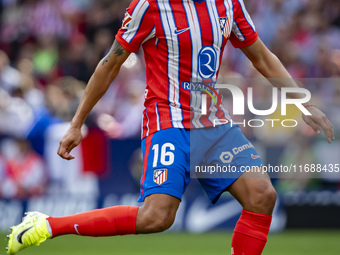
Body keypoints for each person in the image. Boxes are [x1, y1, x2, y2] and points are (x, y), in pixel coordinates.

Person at [7, 0, 334, 255]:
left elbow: (261, 55)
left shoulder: (228, 5)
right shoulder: (149, 7)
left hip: (212, 122)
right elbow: (110, 64)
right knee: (156, 218)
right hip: (168, 122)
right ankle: (47, 225)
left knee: (262, 195)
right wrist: (77, 123)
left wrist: (302, 102)